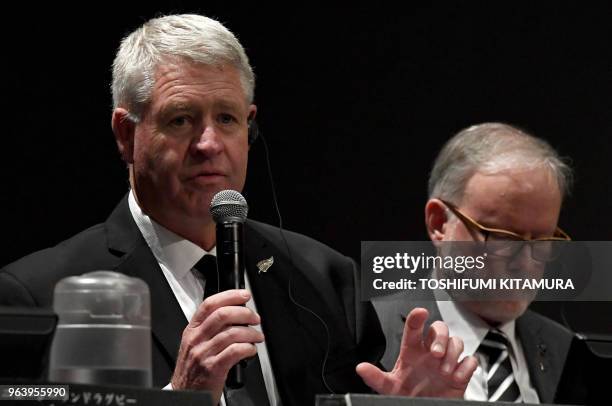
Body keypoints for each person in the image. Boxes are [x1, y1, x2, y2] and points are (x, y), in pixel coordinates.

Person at [0, 14, 477, 406]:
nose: (209, 144)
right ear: (126, 134)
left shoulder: (325, 279)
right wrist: (179, 397)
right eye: (181, 119)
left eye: (226, 119)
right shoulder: (39, 294)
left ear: (249, 126)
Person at [374, 123, 574, 404]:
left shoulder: (567, 351)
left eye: (542, 239)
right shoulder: (368, 336)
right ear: (440, 223)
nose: (526, 261)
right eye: (504, 237)